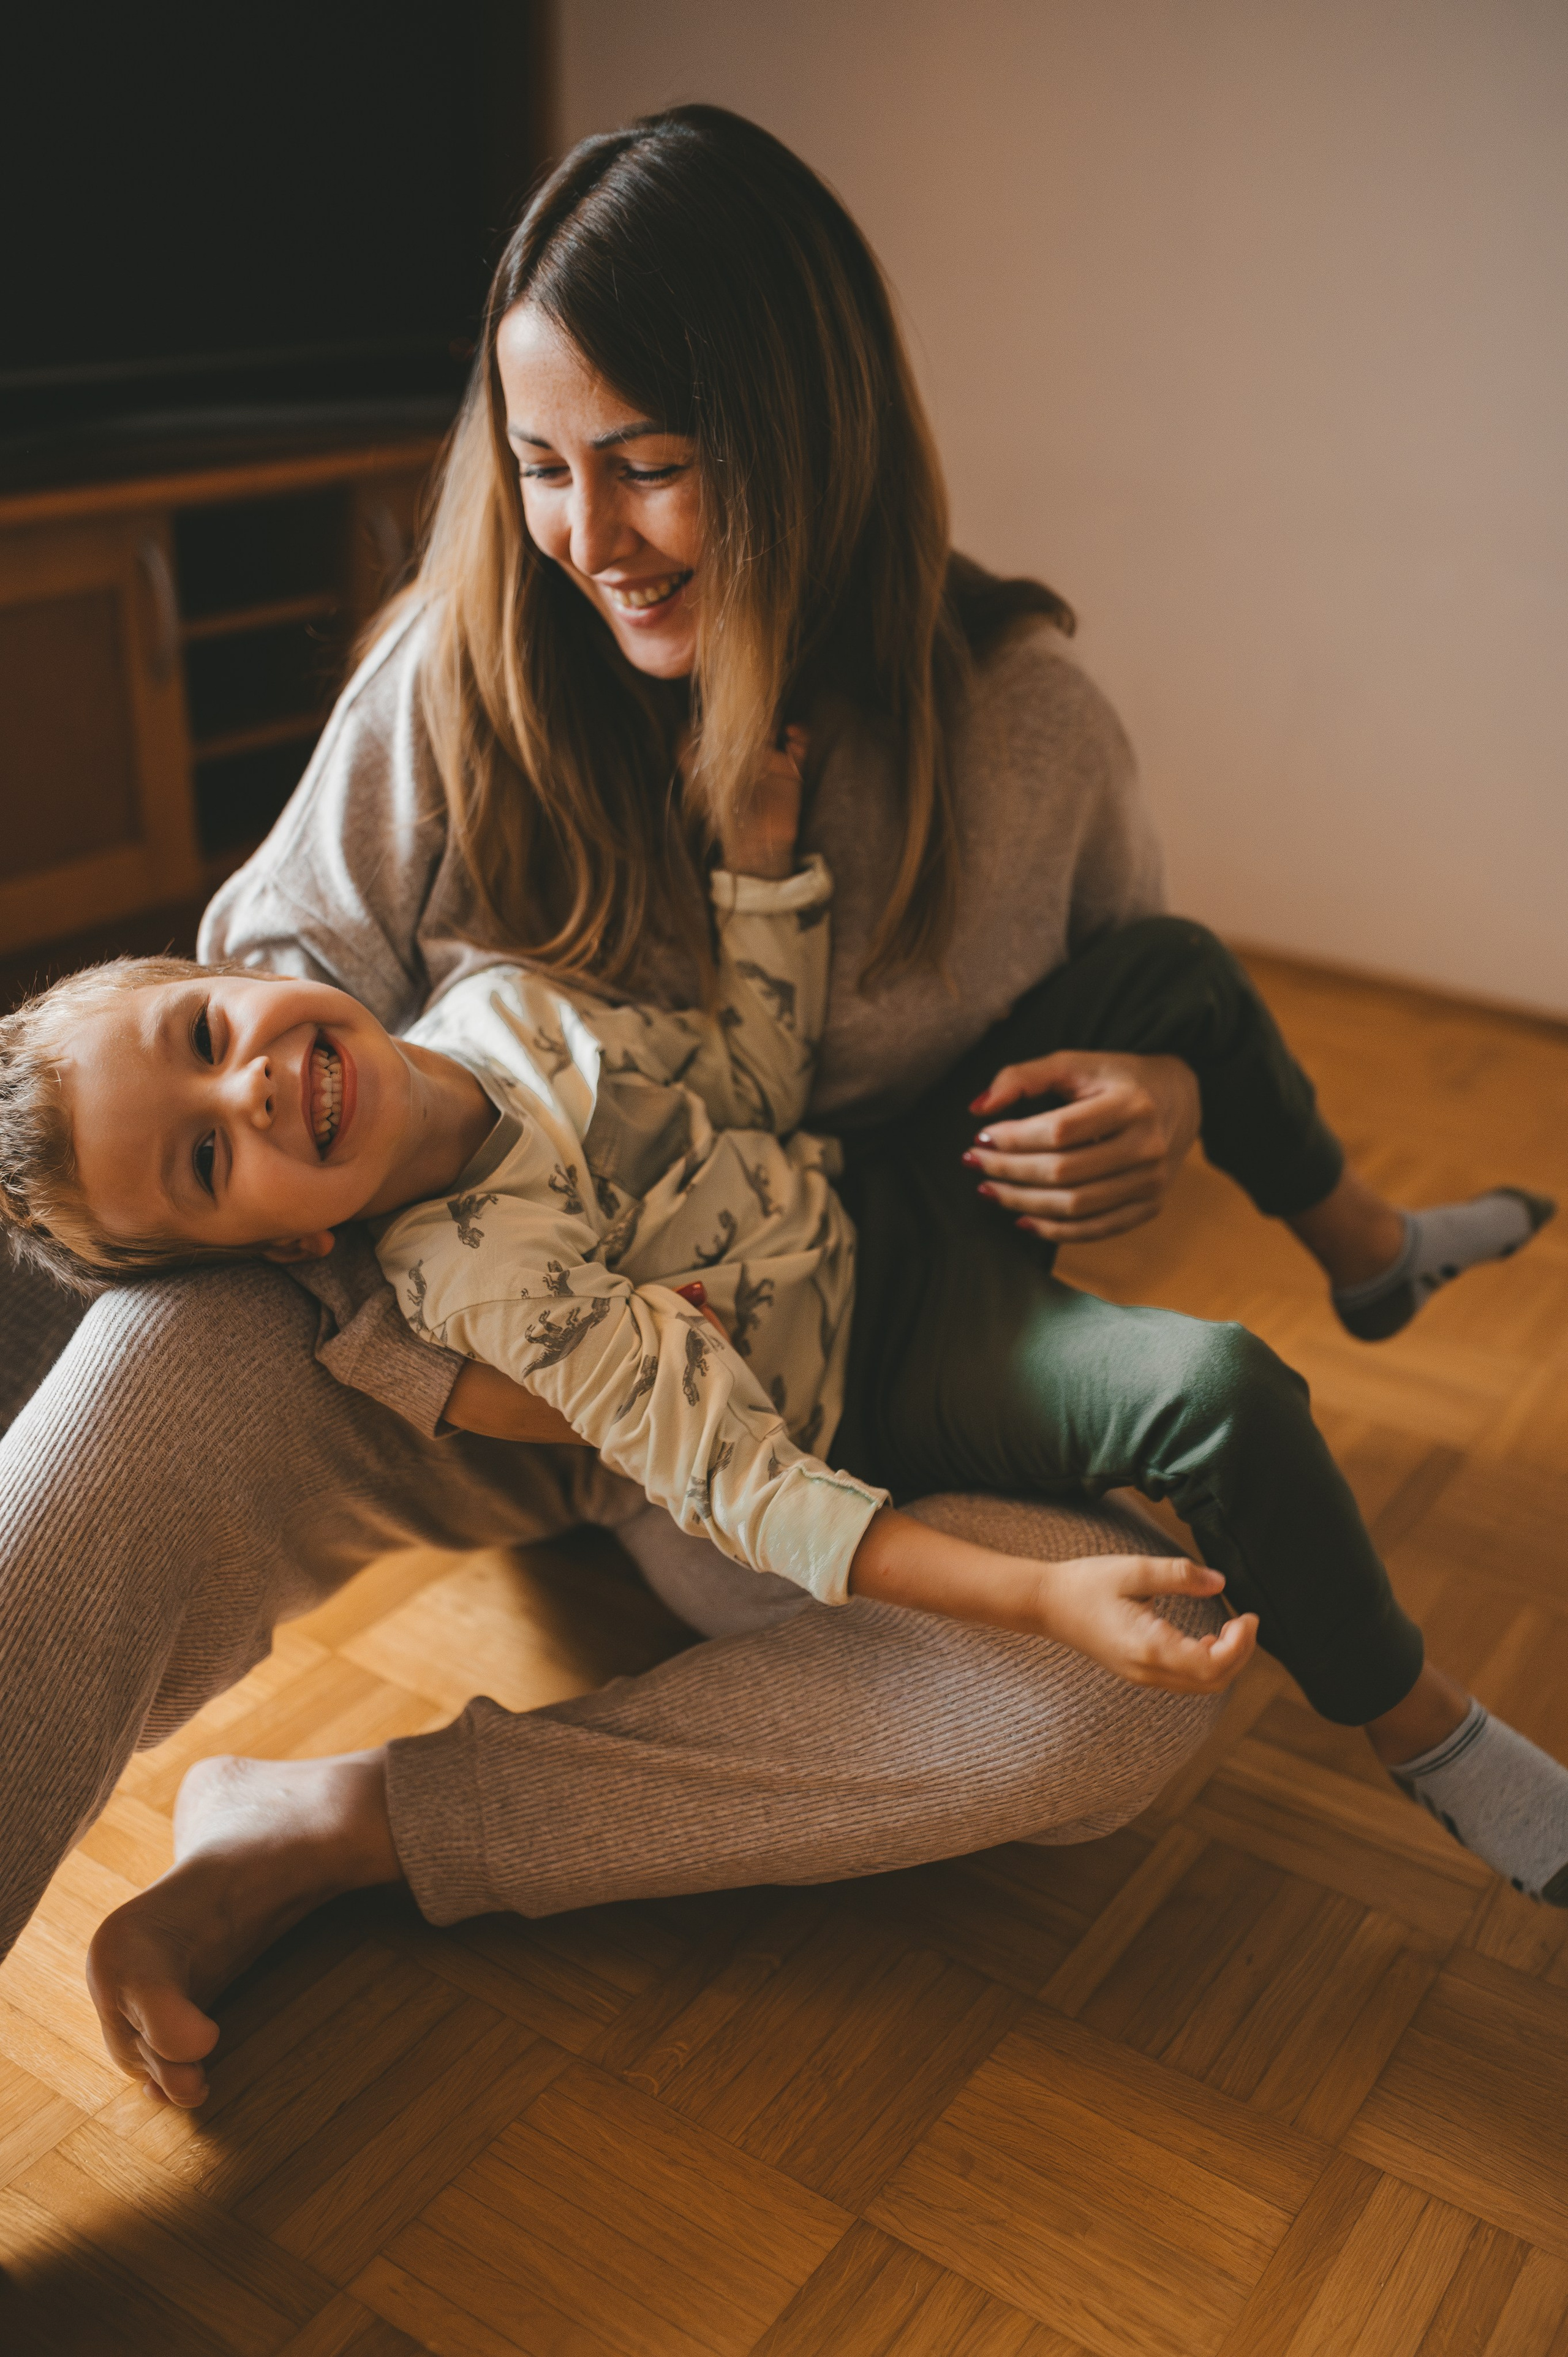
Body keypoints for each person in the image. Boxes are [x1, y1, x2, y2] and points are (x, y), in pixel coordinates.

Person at [0, 105, 1556, 2114]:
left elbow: (1125, 1011)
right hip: (449, 1371)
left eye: (651, 464)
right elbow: (234, 1043)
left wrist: (1153, 1108)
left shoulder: (1026, 734)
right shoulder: (447, 686)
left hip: (822, 1412)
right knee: (133, 1369)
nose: (589, 537)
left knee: (1114, 1697)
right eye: (545, 470)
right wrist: (504, 1380)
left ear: (814, 431)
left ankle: (343, 1824)